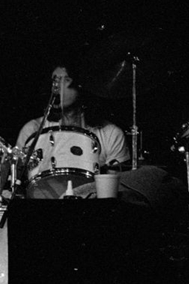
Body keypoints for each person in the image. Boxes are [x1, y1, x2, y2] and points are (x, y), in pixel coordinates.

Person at [16, 62, 131, 198]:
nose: (57, 86)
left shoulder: (110, 133)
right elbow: (17, 179)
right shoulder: (33, 129)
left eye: (66, 80)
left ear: (82, 86)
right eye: (54, 80)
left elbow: (116, 188)